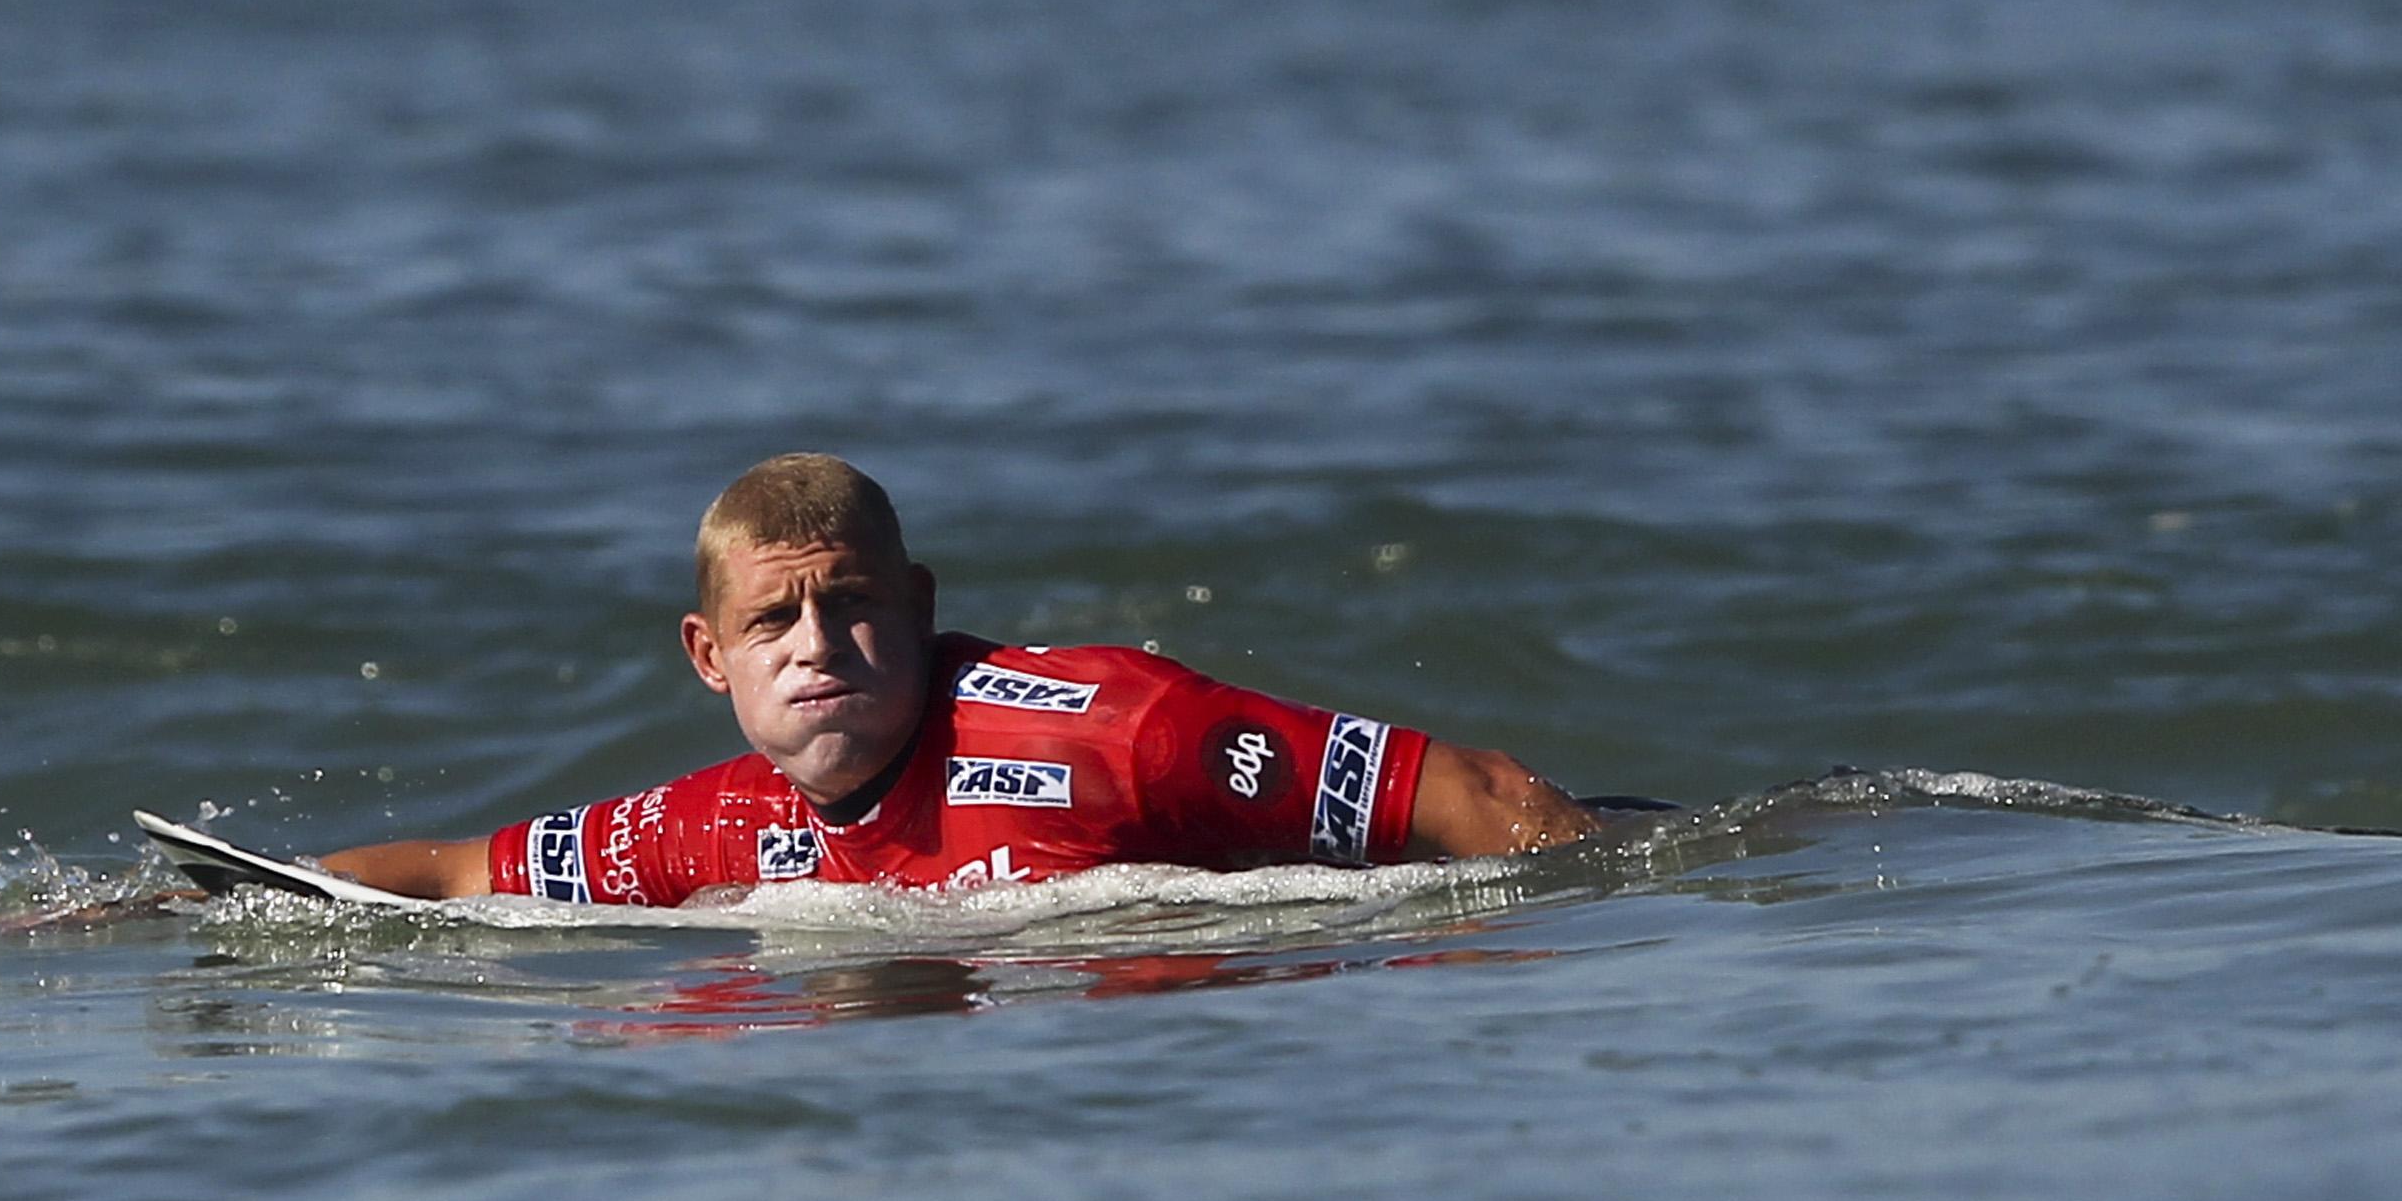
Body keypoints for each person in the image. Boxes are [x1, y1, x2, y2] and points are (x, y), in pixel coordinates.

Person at [314, 455, 1597, 906]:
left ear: (920, 608)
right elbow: (457, 877)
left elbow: (1478, 797)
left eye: (852, 602)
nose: (815, 643)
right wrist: (168, 908)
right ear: (712, 660)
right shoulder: (717, 823)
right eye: (772, 621)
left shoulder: (1118, 732)